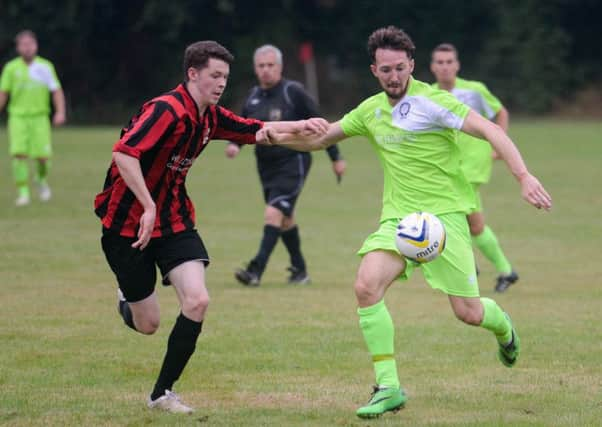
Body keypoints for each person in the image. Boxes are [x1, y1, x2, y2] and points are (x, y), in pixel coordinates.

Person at [264, 26, 552, 419]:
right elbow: (321, 139)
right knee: (365, 286)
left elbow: (488, 129)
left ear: (412, 65)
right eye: (386, 69)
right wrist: (274, 136)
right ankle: (388, 387)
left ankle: (503, 327)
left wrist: (523, 176)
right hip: (400, 222)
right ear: (374, 70)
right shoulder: (370, 110)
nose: (394, 76)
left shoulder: (433, 102)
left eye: (400, 67)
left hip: (446, 219)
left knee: (467, 312)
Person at [94, 40, 328, 414]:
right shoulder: (166, 111)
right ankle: (127, 295)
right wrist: (147, 205)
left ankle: (161, 394)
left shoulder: (211, 117)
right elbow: (124, 153)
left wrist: (301, 124)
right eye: (214, 76)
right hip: (127, 225)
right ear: (192, 74)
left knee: (198, 300)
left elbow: (257, 128)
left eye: (225, 77)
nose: (221, 83)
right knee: (148, 324)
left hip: (174, 220)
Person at [225, 44, 347, 287]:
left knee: (273, 213)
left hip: (294, 161)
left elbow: (323, 125)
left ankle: (255, 270)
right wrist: (235, 145)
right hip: (266, 166)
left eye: (271, 65)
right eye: (261, 66)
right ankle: (300, 271)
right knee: (284, 218)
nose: (266, 70)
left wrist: (336, 157)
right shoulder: (252, 97)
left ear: (279, 67)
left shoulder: (294, 92)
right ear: (255, 68)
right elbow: (244, 127)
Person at [431, 43, 517, 293]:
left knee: (444, 212)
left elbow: (501, 112)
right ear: (432, 67)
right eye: (440, 62)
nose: (445, 66)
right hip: (447, 167)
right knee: (474, 223)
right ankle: (504, 270)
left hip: (471, 167)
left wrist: (499, 146)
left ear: (457, 65)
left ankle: (467, 264)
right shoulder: (428, 94)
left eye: (449, 62)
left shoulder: (474, 91)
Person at [0, 29, 66, 206]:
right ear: (18, 48)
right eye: (23, 45)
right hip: (18, 118)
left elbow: (56, 91)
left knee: (43, 158)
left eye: (30, 44)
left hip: (40, 118)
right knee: (19, 155)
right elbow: (3, 94)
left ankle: (40, 179)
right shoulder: (11, 68)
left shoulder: (45, 66)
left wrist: (60, 112)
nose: (27, 48)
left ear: (36, 46)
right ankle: (23, 193)